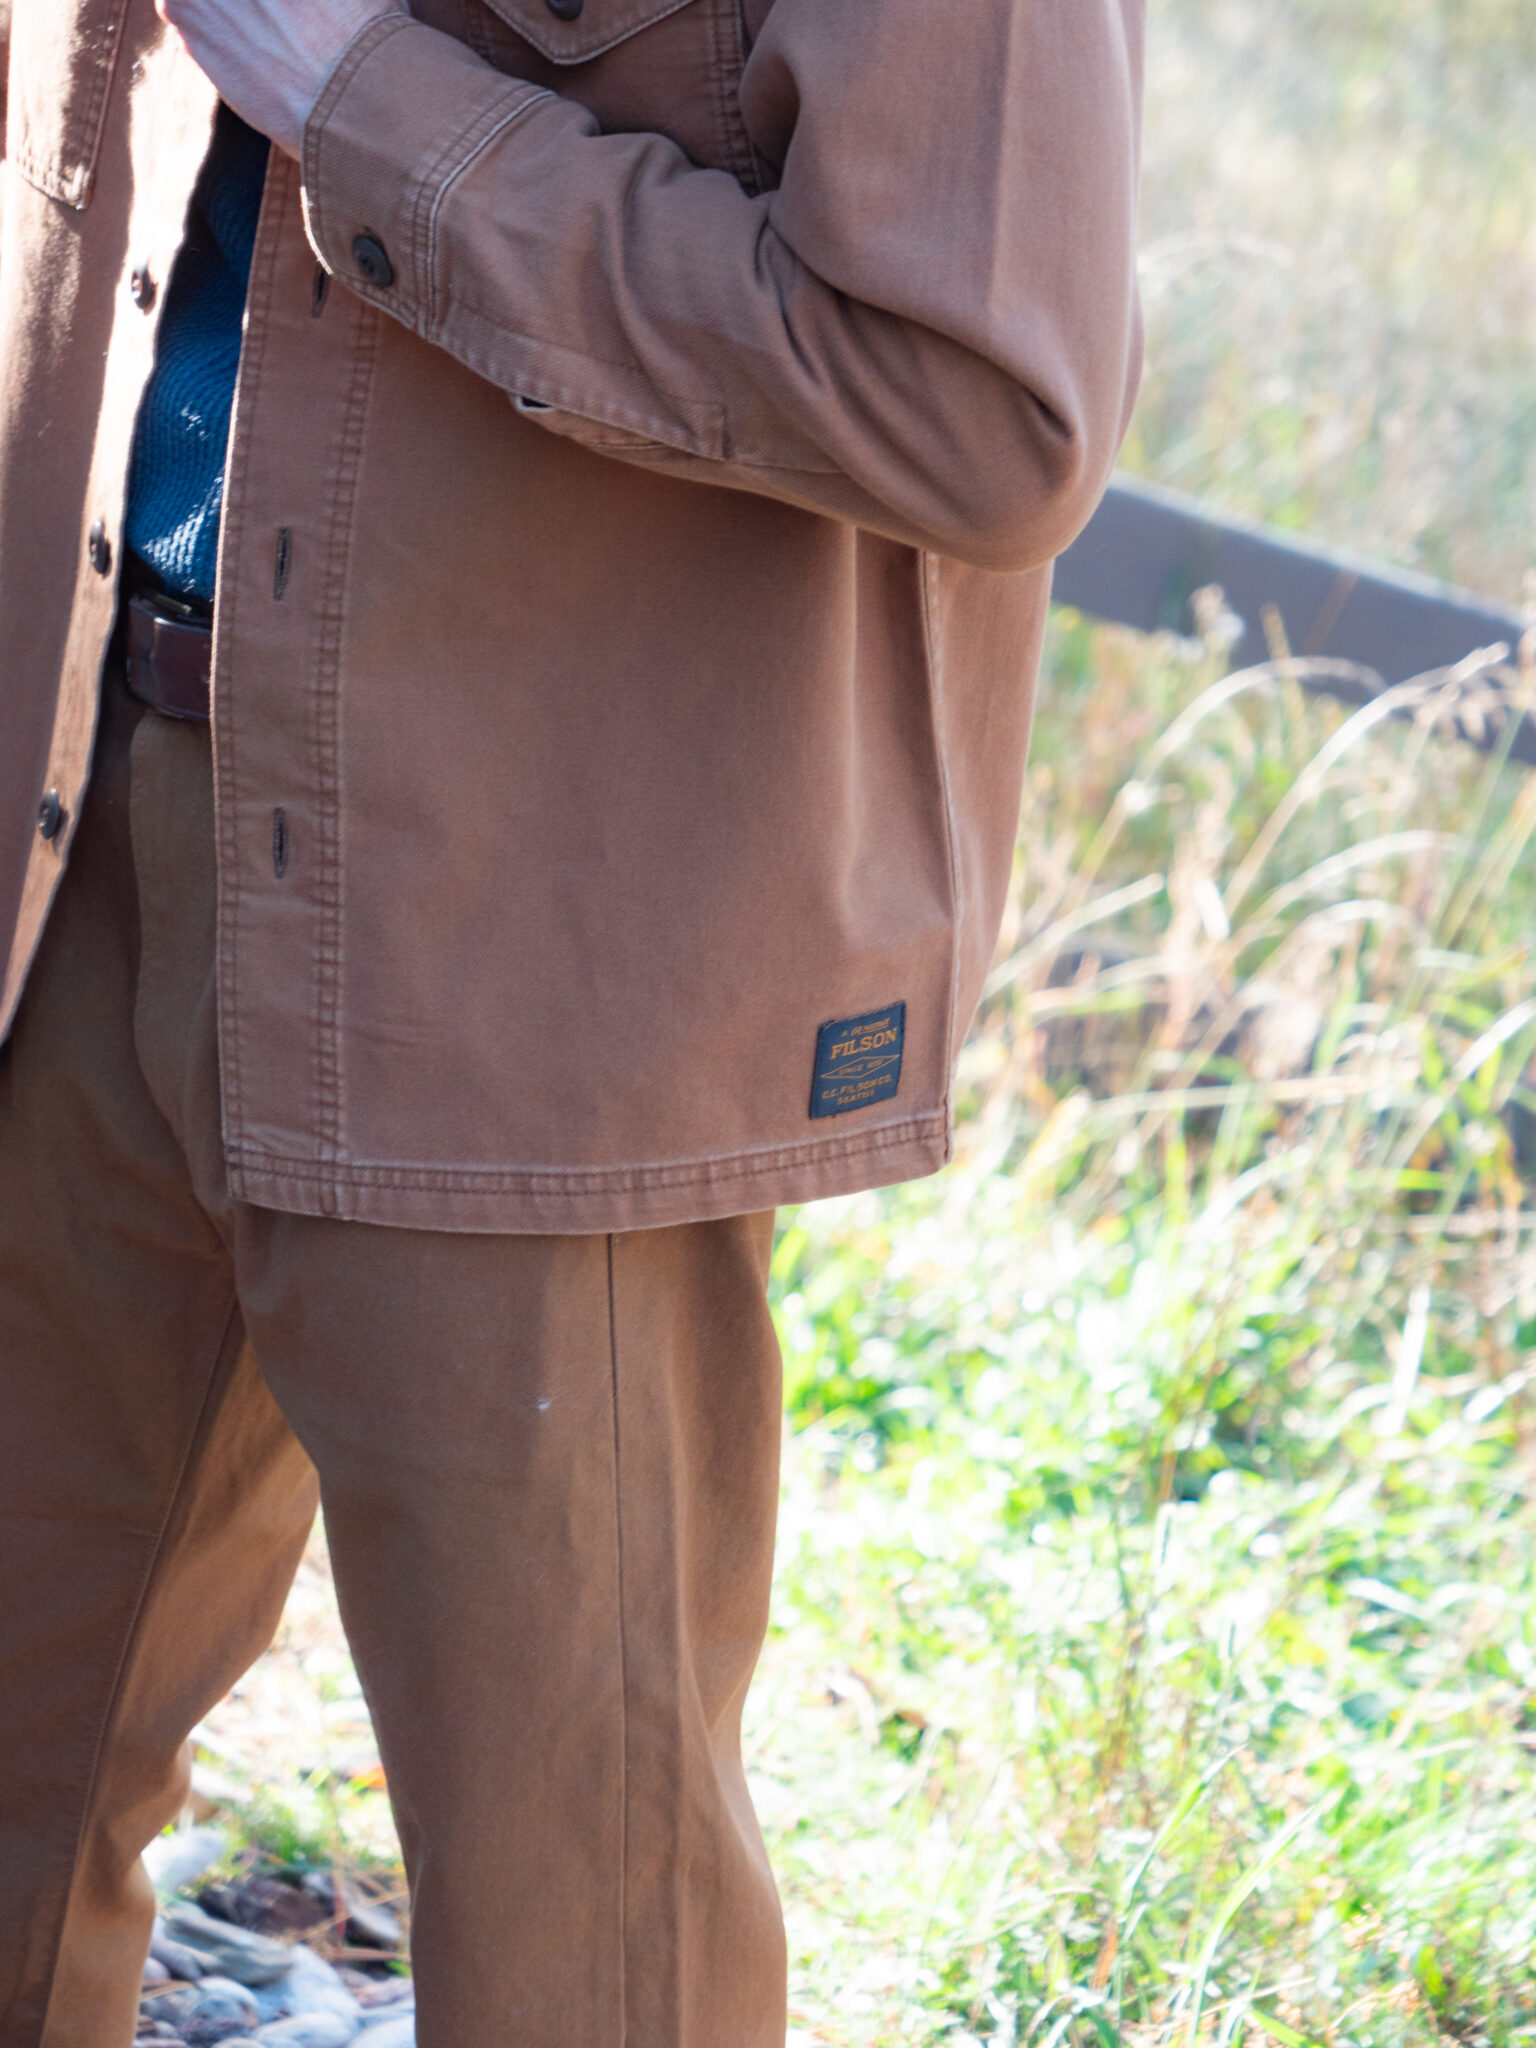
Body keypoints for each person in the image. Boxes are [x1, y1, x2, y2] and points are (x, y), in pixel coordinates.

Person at [0, 0, 1144, 2039]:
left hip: (529, 933)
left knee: (580, 1934)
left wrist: (376, 105)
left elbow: (985, 404)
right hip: (78, 808)